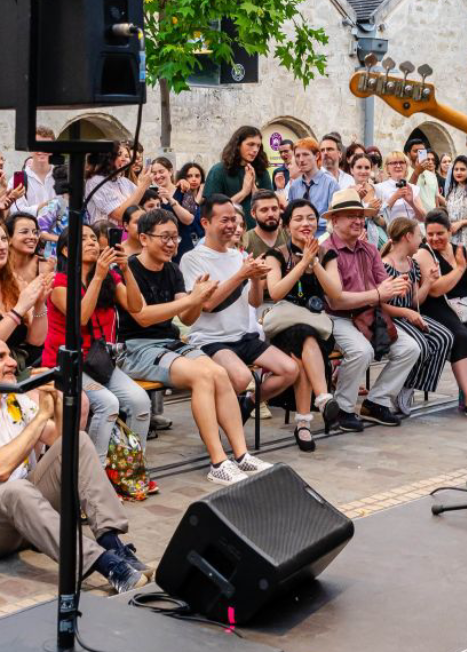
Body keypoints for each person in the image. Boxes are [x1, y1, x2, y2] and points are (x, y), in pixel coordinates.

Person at [118, 209, 269, 484]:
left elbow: (186, 317)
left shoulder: (172, 269)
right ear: (143, 238)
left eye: (175, 237)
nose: (172, 243)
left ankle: (242, 455)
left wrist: (199, 299)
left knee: (219, 374)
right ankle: (217, 462)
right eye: (164, 237)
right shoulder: (129, 269)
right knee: (202, 376)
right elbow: (142, 315)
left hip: (170, 343)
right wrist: (191, 300)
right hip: (138, 348)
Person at [0, 340, 149, 592]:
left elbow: (62, 448)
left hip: (28, 516)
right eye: (2, 357)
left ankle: (112, 542)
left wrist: (56, 401)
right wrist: (41, 417)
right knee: (15, 490)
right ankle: (106, 565)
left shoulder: (14, 398)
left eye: (10, 355)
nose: (13, 362)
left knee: (77, 441)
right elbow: (2, 469)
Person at [180, 195, 300, 419]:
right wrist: (241, 275)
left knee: (290, 370)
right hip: (211, 339)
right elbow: (206, 304)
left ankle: (247, 405)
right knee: (241, 377)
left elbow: (254, 302)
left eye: (234, 220)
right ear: (205, 223)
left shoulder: (239, 256)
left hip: (244, 336)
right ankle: (219, 419)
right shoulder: (192, 258)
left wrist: (255, 279)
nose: (232, 226)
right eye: (224, 220)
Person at [44, 226, 151, 456]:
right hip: (66, 363)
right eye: (82, 239)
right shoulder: (59, 283)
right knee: (107, 403)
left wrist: (125, 269)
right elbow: (81, 317)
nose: (92, 242)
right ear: (65, 251)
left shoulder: (108, 277)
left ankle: (133, 469)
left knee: (140, 401)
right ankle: (96, 475)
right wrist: (100, 275)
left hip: (98, 361)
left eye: (94, 237)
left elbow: (136, 306)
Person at [321, 189, 422, 429]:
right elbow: (337, 302)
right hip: (337, 317)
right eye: (351, 216)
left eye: (360, 215)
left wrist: (396, 286)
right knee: (361, 351)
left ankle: (376, 402)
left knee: (410, 348)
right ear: (335, 220)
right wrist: (378, 294)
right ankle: (342, 409)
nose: (358, 220)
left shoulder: (370, 249)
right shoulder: (326, 250)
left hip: (368, 314)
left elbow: (383, 286)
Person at [263, 200, 346, 448]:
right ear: (287, 225)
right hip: (284, 326)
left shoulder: (326, 254)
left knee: (305, 342)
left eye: (310, 218)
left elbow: (335, 293)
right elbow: (276, 292)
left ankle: (305, 420)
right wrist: (301, 263)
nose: (306, 223)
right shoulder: (276, 255)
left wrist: (315, 263)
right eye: (298, 218)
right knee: (302, 336)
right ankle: (319, 402)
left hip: (315, 326)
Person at [414, 209, 467, 418]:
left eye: (439, 233)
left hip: (465, 306)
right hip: (436, 307)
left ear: (450, 231)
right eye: (430, 234)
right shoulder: (423, 253)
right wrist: (459, 269)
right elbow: (435, 289)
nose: (434, 238)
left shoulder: (460, 250)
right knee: (460, 337)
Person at [380, 217, 460, 416]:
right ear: (408, 236)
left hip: (410, 314)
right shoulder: (384, 265)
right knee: (422, 345)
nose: (421, 241)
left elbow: (416, 300)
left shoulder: (411, 264)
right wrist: (408, 313)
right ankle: (398, 388)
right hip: (392, 317)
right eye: (419, 236)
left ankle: (409, 386)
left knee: (444, 337)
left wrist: (428, 283)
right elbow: (381, 304)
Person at [0, 223, 52, 374]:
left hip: (20, 367)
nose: (2, 246)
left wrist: (40, 304)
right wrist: (19, 310)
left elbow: (36, 340)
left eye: (3, 239)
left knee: (77, 396)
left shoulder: (15, 282)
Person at [203, 126, 273, 229]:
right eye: (250, 144)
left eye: (258, 146)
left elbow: (268, 207)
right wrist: (244, 192)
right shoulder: (218, 171)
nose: (255, 150)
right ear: (238, 145)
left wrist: (253, 187)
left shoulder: (261, 171)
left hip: (257, 232)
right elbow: (212, 210)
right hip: (228, 232)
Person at [85, 143, 151, 225]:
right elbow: (120, 215)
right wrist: (143, 185)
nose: (125, 160)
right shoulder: (96, 181)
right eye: (119, 154)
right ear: (107, 158)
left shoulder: (124, 181)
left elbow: (143, 203)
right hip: (106, 234)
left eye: (127, 156)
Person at [287, 138, 339, 233]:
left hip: (323, 235)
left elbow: (335, 217)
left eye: (306, 154)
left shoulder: (330, 183)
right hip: (299, 236)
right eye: (297, 156)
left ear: (317, 156)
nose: (301, 160)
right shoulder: (294, 186)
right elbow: (291, 216)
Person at [350, 153, 387, 250]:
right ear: (351, 170)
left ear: (371, 170)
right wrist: (368, 211)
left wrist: (375, 215)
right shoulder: (346, 192)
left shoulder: (378, 190)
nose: (363, 171)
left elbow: (384, 223)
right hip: (355, 239)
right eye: (359, 167)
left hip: (379, 239)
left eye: (367, 168)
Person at [375, 153, 426, 223]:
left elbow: (423, 218)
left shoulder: (413, 188)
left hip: (413, 231)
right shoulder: (379, 188)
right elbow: (378, 215)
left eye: (401, 162)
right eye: (394, 163)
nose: (398, 166)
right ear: (387, 167)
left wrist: (412, 203)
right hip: (392, 231)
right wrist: (395, 197)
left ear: (406, 166)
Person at [16, 124, 57, 213]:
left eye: (47, 146)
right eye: (37, 145)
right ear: (30, 148)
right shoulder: (18, 179)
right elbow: (16, 211)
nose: (42, 150)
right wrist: (47, 206)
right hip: (32, 227)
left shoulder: (62, 177)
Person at [37, 164, 71, 260]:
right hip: (55, 256)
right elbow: (41, 232)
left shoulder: (84, 206)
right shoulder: (54, 204)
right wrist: (63, 241)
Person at [242, 190, 289, 258]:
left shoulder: (289, 236)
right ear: (253, 213)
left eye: (274, 209)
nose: (271, 214)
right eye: (264, 210)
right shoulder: (245, 241)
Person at [173, 161, 205, 259]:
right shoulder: (179, 195)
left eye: (197, 176)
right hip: (185, 246)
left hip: (201, 245)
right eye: (189, 176)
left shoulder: (205, 200)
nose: (194, 179)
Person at [445, 155, 467, 246]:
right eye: (456, 169)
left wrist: (461, 223)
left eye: (462, 169)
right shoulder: (452, 190)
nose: (458, 172)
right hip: (452, 238)